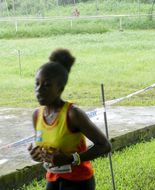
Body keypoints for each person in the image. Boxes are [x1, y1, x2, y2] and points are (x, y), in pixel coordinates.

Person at [28, 49, 112, 190]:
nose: (39, 90)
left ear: (60, 88)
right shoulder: (36, 115)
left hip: (79, 181)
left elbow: (105, 146)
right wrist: (36, 155)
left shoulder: (73, 114)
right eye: (37, 84)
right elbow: (46, 149)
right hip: (53, 179)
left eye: (47, 85)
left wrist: (71, 159)